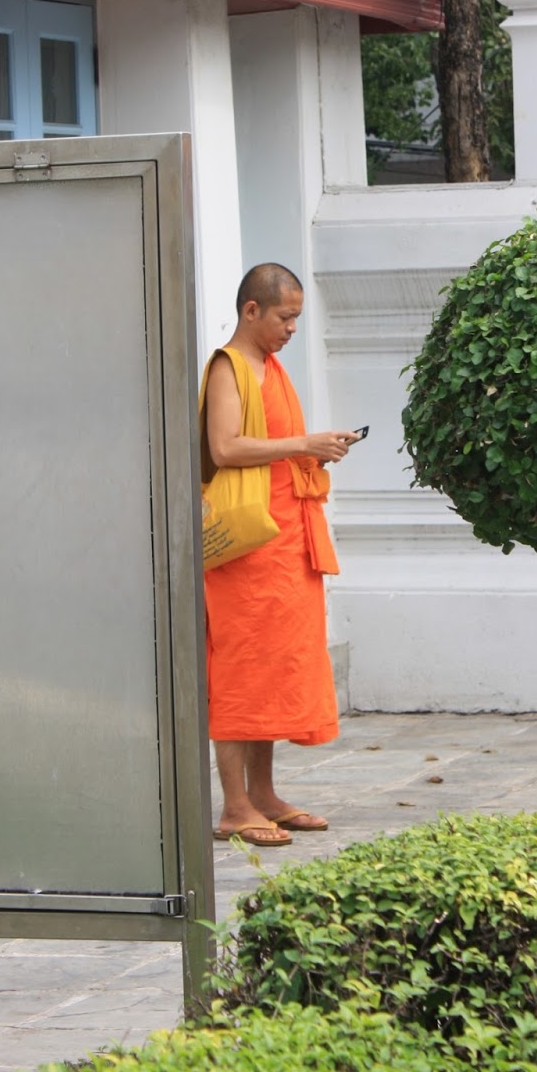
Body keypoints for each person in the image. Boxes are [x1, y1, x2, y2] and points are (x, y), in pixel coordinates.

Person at [201, 262, 360, 847]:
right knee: (240, 668)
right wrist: (302, 443)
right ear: (252, 311)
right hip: (245, 548)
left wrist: (314, 451)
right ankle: (234, 807)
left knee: (272, 669)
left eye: (296, 318)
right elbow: (224, 447)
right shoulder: (230, 366)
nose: (293, 328)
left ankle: (264, 795)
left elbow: (269, 449)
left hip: (285, 541)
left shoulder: (271, 367)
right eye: (285, 317)